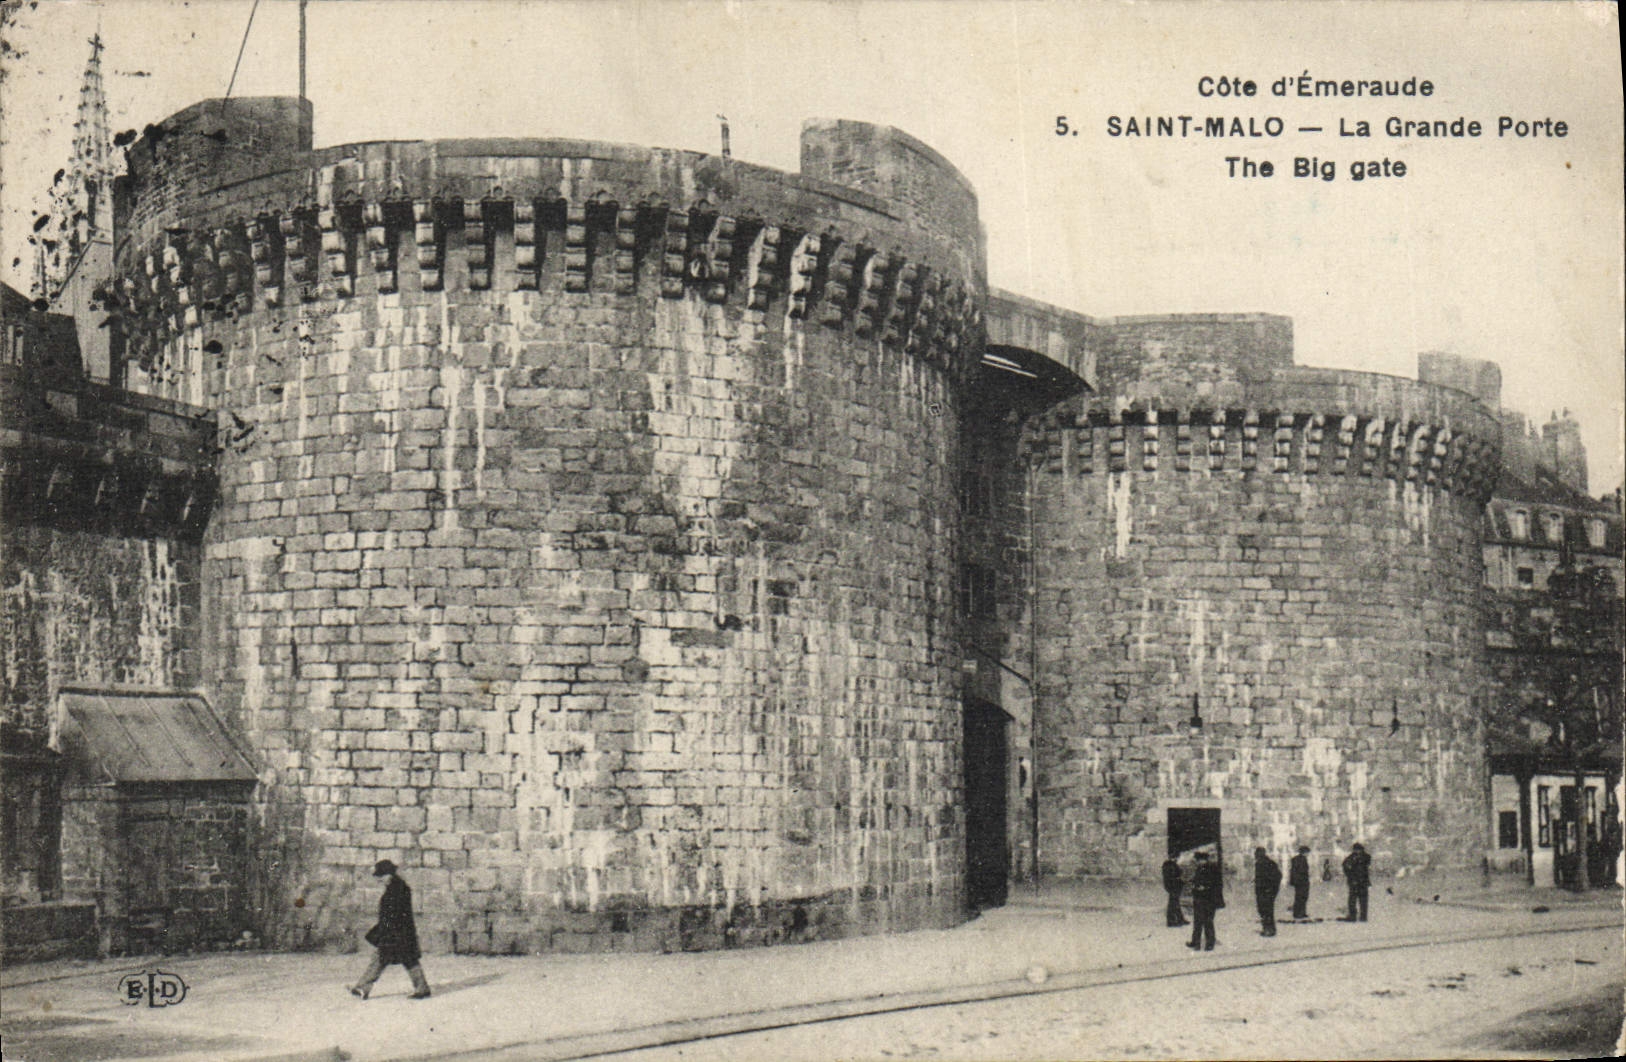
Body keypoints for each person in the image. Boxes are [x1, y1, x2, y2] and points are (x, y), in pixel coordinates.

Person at [349, 859, 431, 1000]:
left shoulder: (397, 889)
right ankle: (422, 987)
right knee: (407, 959)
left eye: (380, 876)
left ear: (388, 875)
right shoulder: (398, 887)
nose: (379, 880)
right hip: (399, 931)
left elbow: (394, 915)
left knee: (383, 958)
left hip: (396, 932)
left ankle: (363, 987)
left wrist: (384, 932)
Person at [1186, 849, 1223, 951]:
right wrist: (1194, 885)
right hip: (1199, 898)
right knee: (1197, 922)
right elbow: (1197, 880)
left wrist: (1204, 887)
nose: (1197, 862)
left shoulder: (1212, 869)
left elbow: (1216, 884)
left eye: (1198, 860)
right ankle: (1195, 942)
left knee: (1208, 922)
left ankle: (1210, 944)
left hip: (1209, 899)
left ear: (1203, 860)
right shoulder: (1200, 868)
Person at [1254, 847, 1282, 936]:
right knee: (1266, 910)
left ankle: (1269, 930)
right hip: (1266, 891)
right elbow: (1278, 875)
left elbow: (1276, 876)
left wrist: (1269, 887)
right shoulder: (1269, 863)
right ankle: (1269, 928)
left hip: (1264, 891)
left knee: (1265, 910)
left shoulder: (1262, 864)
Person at [1341, 843, 1372, 922]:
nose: (1357, 851)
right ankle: (1354, 916)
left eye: (1358, 850)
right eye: (1355, 850)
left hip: (1361, 882)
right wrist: (1349, 875)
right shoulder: (1351, 857)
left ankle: (1362, 916)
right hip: (1355, 881)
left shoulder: (1365, 857)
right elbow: (1345, 866)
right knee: (1353, 900)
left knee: (1362, 900)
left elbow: (1366, 862)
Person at [1162, 855, 1188, 926]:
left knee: (1175, 903)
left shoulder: (1169, 864)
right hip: (1173, 886)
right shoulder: (1170, 865)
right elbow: (1175, 875)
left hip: (1173, 886)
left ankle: (1179, 919)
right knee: (1173, 904)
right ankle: (1172, 921)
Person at [1289, 844, 1311, 921]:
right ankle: (1299, 913)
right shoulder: (1302, 860)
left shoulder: (1296, 859)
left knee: (1300, 897)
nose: (1308, 854)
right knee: (1301, 897)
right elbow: (1301, 871)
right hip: (1302, 881)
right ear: (1304, 852)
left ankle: (1301, 912)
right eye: (1307, 852)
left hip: (1298, 881)